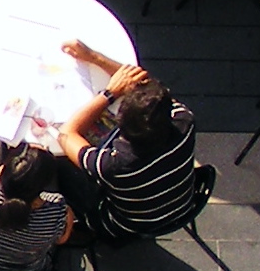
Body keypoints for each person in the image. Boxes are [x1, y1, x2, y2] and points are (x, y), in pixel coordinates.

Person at [56, 55, 204, 239]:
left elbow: (65, 134)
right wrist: (93, 56)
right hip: (182, 205)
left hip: (124, 225)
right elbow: (145, 87)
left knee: (60, 166)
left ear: (120, 125)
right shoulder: (184, 121)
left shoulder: (113, 165)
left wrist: (109, 94)